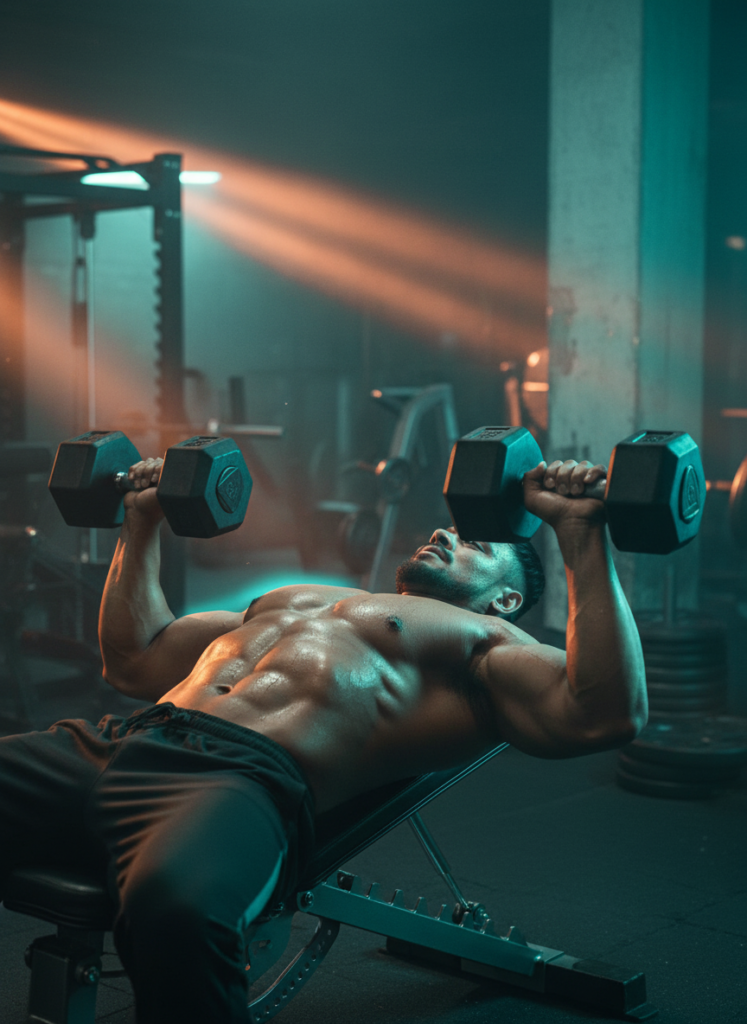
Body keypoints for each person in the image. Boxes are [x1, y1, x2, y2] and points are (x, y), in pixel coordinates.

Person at [0, 455, 646, 1024]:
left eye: (473, 542)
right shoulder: (303, 598)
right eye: (444, 530)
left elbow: (603, 713)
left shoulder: (487, 642)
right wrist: (140, 522)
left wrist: (579, 534)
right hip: (115, 743)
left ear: (505, 598)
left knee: (179, 912)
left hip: (232, 781)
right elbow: (133, 659)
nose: (444, 533)